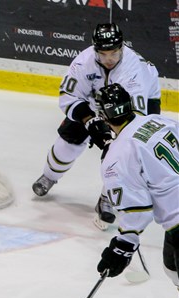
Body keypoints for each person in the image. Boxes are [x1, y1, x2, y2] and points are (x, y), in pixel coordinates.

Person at [32, 23, 161, 230]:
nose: (109, 59)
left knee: (125, 152)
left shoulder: (134, 70)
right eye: (103, 54)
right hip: (94, 105)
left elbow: (133, 119)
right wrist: (90, 120)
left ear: (122, 48)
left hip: (135, 108)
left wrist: (113, 139)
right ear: (95, 51)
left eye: (114, 53)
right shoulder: (83, 63)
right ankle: (49, 176)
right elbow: (68, 96)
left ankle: (108, 198)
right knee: (67, 144)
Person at [94, 83, 178, 288]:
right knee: (171, 267)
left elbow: (137, 211)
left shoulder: (116, 157)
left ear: (104, 117)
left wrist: (123, 246)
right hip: (175, 224)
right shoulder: (158, 120)